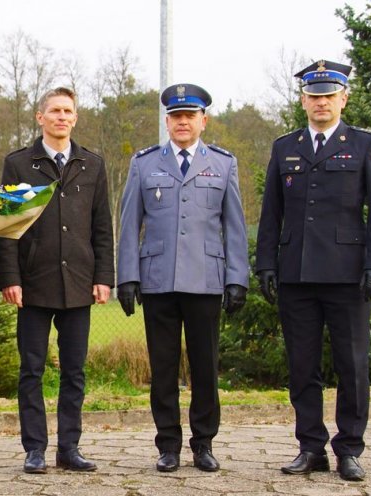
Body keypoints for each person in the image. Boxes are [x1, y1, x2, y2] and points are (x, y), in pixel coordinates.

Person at [256, 60, 371, 482]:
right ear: (303, 101)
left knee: (352, 366)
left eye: (328, 95)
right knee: (302, 366)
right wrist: (266, 263)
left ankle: (350, 449)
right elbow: (271, 213)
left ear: (343, 98)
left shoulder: (366, 144)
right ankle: (310, 447)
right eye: (313, 96)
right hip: (296, 274)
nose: (321, 103)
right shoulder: (286, 147)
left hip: (347, 275)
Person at [116, 83, 248, 473]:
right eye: (176, 116)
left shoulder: (223, 164)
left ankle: (203, 442)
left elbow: (234, 225)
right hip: (158, 281)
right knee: (163, 367)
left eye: (190, 115)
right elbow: (129, 223)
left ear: (203, 120)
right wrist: (128, 276)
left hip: (206, 280)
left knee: (205, 367)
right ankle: (168, 444)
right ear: (167, 121)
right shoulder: (144, 164)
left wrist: (237, 276)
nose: (183, 122)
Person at [0, 87, 113, 474]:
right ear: (39, 117)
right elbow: (7, 225)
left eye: (68, 111)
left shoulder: (92, 164)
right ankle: (35, 449)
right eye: (55, 111)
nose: (62, 117)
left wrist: (103, 277)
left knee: (74, 371)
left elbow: (101, 227)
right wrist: (9, 277)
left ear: (75, 118)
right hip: (32, 283)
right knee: (31, 369)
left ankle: (70, 448)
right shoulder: (18, 164)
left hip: (79, 282)